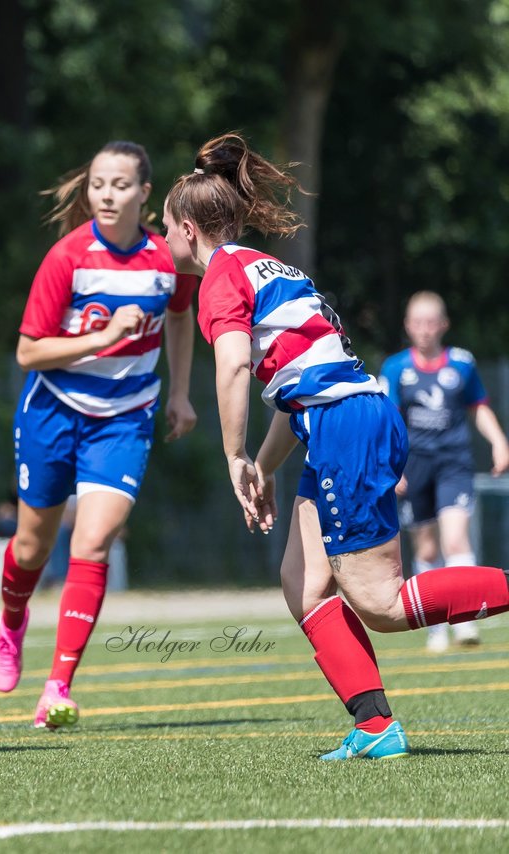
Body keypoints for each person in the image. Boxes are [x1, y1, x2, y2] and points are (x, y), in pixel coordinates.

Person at [161, 131, 509, 760]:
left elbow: (235, 365)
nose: (163, 243)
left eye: (164, 230)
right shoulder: (271, 268)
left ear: (188, 229)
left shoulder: (219, 277)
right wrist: (263, 471)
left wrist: (233, 455)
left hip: (345, 425)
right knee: (304, 583)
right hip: (342, 418)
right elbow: (301, 391)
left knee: (379, 602)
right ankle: (376, 729)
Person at [0, 141, 199, 729]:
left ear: (144, 194)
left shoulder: (166, 259)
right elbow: (29, 351)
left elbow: (180, 317)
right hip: (53, 411)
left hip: (126, 417)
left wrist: (179, 393)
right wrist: (101, 340)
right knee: (31, 548)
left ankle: (57, 685)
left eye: (120, 184)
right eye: (99, 183)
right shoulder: (68, 257)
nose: (107, 194)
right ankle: (11, 622)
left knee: (94, 540)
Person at [381, 291, 509, 652]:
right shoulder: (394, 369)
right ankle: (435, 624)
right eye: (417, 323)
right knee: (427, 546)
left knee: (456, 540)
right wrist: (392, 467)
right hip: (414, 466)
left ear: (443, 325)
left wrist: (499, 441)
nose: (424, 330)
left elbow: (479, 408)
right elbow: (387, 422)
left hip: (454, 462)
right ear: (408, 327)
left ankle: (465, 622)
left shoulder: (462, 365)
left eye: (430, 322)